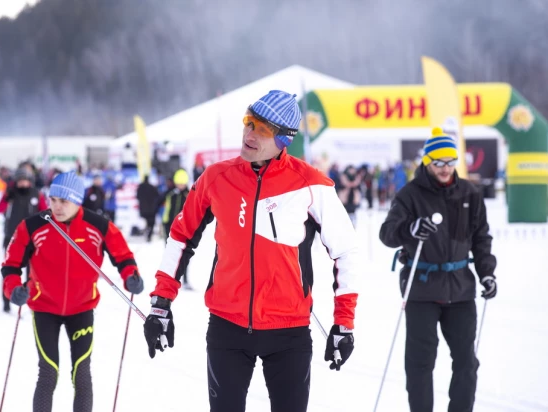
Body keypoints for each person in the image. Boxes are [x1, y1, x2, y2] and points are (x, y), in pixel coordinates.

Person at [143, 90, 359, 412]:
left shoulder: (311, 185)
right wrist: (161, 304)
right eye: (248, 122)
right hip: (227, 328)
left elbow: (346, 251)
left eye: (263, 129)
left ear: (285, 139)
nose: (249, 134)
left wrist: (344, 322)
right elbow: (180, 237)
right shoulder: (216, 178)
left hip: (289, 332)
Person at [2, 171, 145, 412]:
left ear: (77, 200)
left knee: (81, 372)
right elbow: (11, 264)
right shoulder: (33, 226)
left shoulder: (98, 225)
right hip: (44, 306)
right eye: (53, 200)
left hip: (82, 308)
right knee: (48, 372)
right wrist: (14, 289)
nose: (56, 207)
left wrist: (131, 277)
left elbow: (123, 256)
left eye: (64, 201)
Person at [379, 127, 497, 412]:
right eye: (438, 162)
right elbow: (387, 234)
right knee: (420, 363)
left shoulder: (469, 192)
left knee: (467, 362)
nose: (445, 169)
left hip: (461, 288)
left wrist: (487, 273)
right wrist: (411, 229)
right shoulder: (410, 194)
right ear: (427, 162)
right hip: (422, 287)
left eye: (451, 162)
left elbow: (481, 238)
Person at [0, 167, 48, 313]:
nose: (23, 183)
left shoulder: (37, 194)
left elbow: (45, 212)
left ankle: (31, 299)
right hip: (12, 238)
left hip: (33, 239)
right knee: (10, 270)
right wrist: (6, 198)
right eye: (20, 181)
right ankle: (7, 300)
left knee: (33, 273)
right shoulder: (10, 194)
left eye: (25, 180)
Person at [136, 174, 159, 242]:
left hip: (143, 210)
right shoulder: (152, 187)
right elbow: (157, 196)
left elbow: (137, 196)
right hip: (151, 209)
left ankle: (147, 233)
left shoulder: (140, 187)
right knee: (151, 223)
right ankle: (149, 235)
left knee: (146, 223)